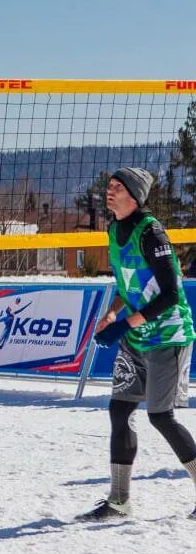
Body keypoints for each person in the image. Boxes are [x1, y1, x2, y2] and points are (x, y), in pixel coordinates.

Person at [78, 168, 196, 521]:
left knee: (161, 417)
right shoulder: (114, 228)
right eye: (109, 186)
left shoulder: (152, 232)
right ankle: (119, 501)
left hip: (168, 336)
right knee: (119, 410)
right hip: (136, 335)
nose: (109, 192)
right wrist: (114, 315)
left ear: (135, 196)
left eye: (117, 188)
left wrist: (124, 324)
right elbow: (126, 284)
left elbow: (171, 295)